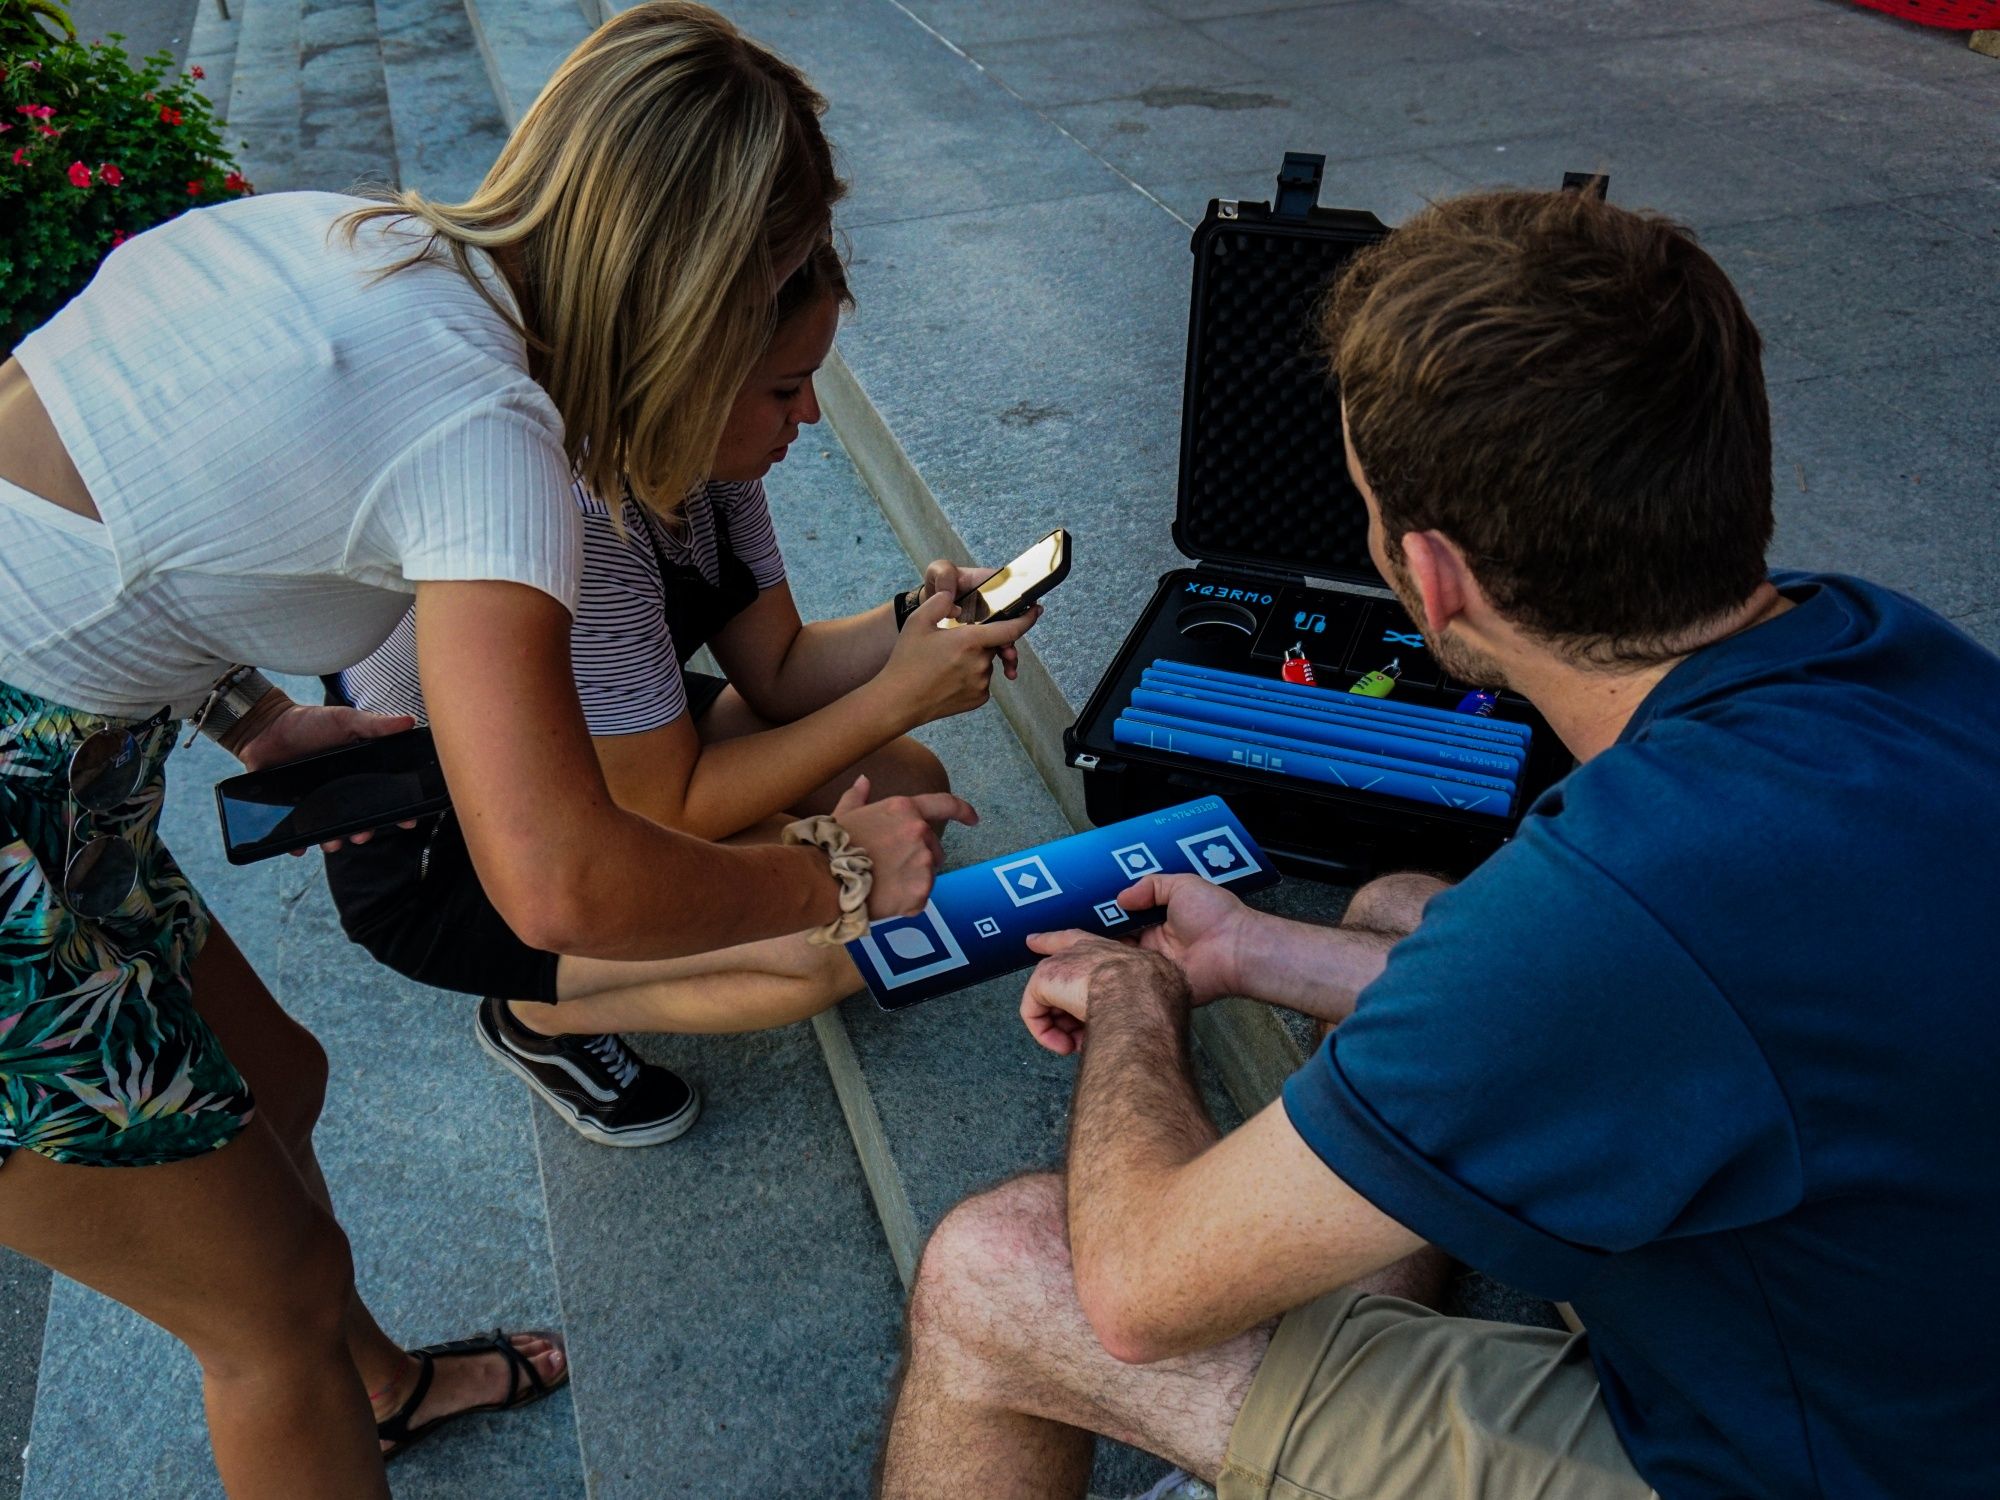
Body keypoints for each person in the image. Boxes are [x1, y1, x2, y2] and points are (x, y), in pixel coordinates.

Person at [877, 189, 2000, 1500]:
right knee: (1408, 901)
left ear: (1435, 580)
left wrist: (1136, 1001)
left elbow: (1136, 1289)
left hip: (1817, 1464)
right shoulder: (1877, 646)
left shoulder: (1620, 908)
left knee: (1000, 1270)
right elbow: (1625, 995)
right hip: (1913, 1337)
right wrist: (1247, 943)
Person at [0, 5, 965, 1493]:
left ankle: (370, 1387)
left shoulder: (339, 237)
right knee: (262, 1320)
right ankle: (320, 1368)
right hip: (18, 832)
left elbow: (105, 494)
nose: (800, 400)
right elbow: (564, 881)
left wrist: (251, 712)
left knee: (283, 1081)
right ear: (698, 301)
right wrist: (835, 875)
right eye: (771, 330)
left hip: (66, 778)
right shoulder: (490, 435)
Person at [323, 241, 1037, 1146]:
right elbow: (669, 806)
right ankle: (534, 1017)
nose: (811, 414)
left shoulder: (708, 461)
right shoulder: (583, 518)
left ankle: (649, 940)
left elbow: (777, 669)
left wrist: (917, 619)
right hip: (448, 855)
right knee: (829, 945)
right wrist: (894, 697)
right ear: (686, 377)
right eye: (786, 389)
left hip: (610, 747)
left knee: (901, 782)